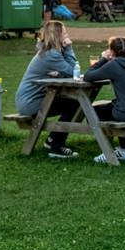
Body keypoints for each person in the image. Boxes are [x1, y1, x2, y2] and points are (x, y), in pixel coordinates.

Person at [80, 36, 125, 164]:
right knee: (117, 105)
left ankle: (123, 150)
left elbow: (88, 76)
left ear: (112, 51)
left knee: (94, 112)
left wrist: (104, 59)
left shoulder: (115, 64)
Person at [17, 20, 79, 154]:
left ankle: (53, 140)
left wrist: (60, 73)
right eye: (64, 33)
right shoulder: (52, 54)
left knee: (74, 103)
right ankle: (55, 144)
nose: (67, 35)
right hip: (31, 103)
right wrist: (69, 48)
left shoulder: (49, 52)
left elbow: (67, 73)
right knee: (74, 104)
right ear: (57, 35)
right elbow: (73, 71)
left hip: (30, 100)